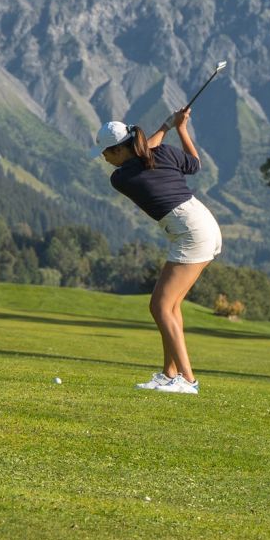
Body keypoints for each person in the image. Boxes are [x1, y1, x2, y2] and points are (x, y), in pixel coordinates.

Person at [96, 107, 222, 394]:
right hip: (203, 225)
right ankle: (169, 374)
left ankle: (188, 381)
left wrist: (167, 125)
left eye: (106, 153)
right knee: (171, 306)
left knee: (159, 306)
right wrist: (179, 128)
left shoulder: (121, 177)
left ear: (117, 151)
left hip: (192, 232)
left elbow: (143, 151)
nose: (104, 159)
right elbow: (195, 163)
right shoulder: (162, 153)